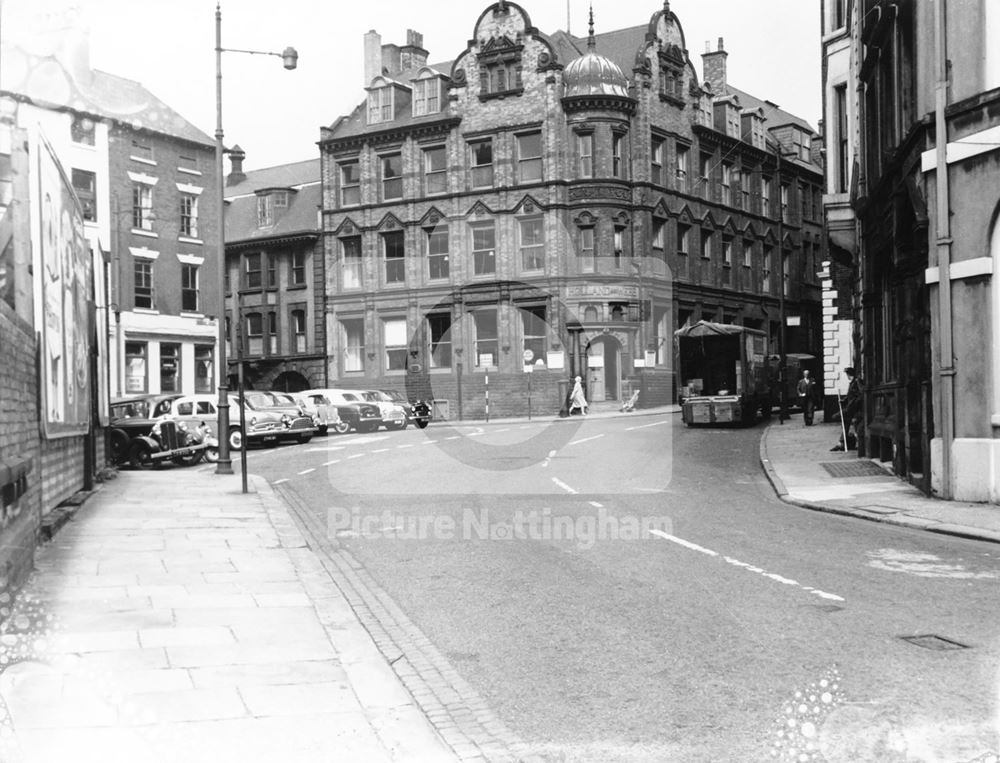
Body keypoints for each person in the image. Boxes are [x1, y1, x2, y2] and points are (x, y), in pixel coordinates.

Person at [831, 366, 863, 451]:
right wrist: (844, 400)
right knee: (845, 423)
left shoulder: (857, 381)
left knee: (836, 417)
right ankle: (842, 442)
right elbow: (850, 395)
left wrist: (854, 403)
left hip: (854, 408)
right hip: (850, 407)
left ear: (850, 374)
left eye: (847, 374)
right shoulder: (852, 382)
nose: (847, 376)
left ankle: (848, 441)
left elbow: (861, 395)